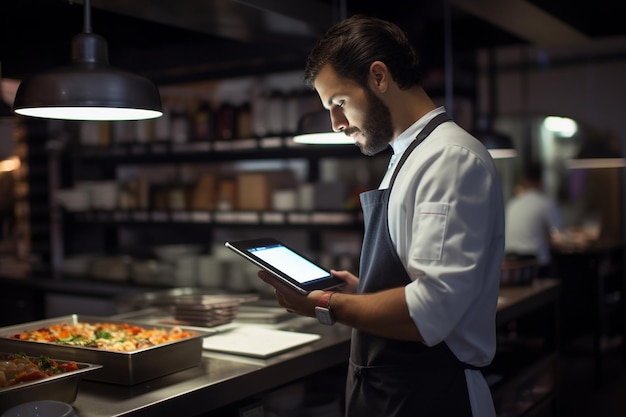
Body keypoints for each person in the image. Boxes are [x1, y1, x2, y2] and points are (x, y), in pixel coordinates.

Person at [257, 15, 504, 417]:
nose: (336, 124)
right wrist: (363, 292)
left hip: (437, 397)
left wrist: (325, 303)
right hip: (396, 391)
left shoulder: (448, 159)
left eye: (339, 103)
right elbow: (413, 279)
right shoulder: (406, 157)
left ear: (379, 76)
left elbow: (430, 312)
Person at [505, 163, 563, 277]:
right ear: (541, 182)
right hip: (536, 264)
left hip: (510, 263)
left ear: (524, 181)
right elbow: (558, 236)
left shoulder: (512, 204)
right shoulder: (545, 203)